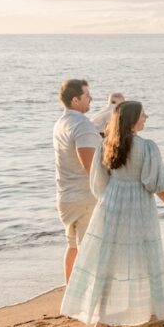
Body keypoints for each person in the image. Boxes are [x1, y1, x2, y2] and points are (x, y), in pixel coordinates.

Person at [60, 101, 164, 327]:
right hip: (138, 204)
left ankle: (101, 316)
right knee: (143, 256)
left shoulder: (107, 144)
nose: (146, 116)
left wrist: (112, 198)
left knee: (108, 259)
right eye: (142, 114)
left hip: (112, 202)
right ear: (133, 119)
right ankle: (150, 308)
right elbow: (154, 183)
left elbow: (98, 183)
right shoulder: (147, 147)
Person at [53, 79, 100, 283]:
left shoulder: (60, 123)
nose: (91, 99)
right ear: (75, 100)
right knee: (88, 248)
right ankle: (84, 298)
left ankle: (70, 294)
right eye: (87, 95)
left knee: (73, 246)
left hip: (65, 195)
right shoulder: (82, 125)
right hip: (85, 195)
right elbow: (90, 165)